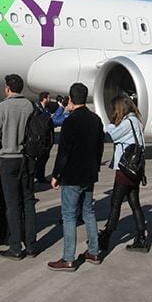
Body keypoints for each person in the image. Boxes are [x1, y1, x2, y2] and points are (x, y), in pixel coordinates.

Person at [48, 82, 105, 271]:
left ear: (71, 99)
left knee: (69, 215)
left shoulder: (70, 121)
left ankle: (68, 258)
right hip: (89, 174)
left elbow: (64, 152)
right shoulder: (96, 120)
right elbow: (99, 148)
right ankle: (94, 251)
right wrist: (94, 168)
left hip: (71, 175)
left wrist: (56, 174)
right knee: (88, 212)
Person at [0, 73, 37, 260]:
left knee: (12, 204)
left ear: (8, 88)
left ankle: (15, 246)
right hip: (26, 158)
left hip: (8, 159)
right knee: (28, 201)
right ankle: (31, 244)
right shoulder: (29, 106)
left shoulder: (1, 108)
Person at [99, 95, 148, 254]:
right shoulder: (137, 122)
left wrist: (110, 123)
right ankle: (142, 238)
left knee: (115, 203)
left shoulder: (127, 123)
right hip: (135, 170)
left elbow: (111, 135)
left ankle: (106, 236)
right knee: (134, 203)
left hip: (125, 170)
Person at [34, 92, 55, 184]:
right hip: (41, 139)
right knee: (40, 159)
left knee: (44, 158)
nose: (50, 100)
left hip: (47, 139)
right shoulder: (37, 110)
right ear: (44, 98)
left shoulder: (46, 109)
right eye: (48, 98)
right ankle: (39, 176)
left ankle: (39, 175)